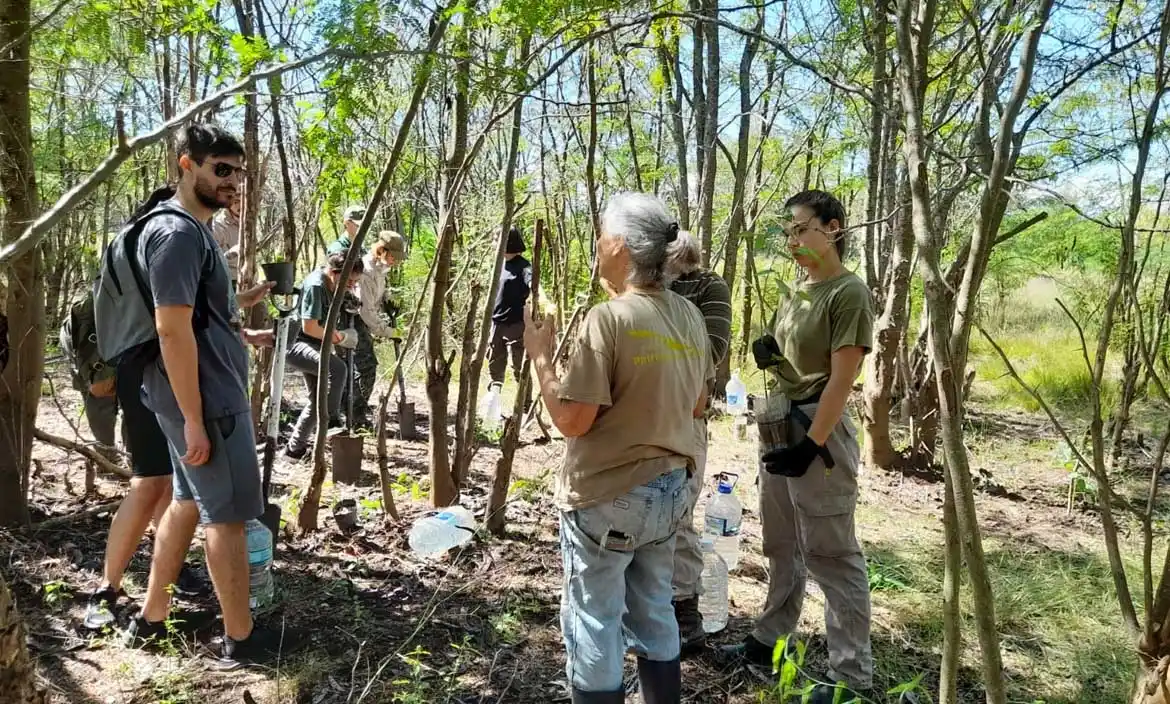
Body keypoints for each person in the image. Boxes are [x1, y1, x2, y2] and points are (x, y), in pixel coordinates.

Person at [524, 193, 712, 704]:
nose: (597, 243)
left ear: (622, 246)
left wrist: (541, 356)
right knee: (654, 606)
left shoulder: (608, 319)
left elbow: (571, 421)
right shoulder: (690, 316)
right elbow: (697, 404)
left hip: (610, 497)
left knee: (594, 616)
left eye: (603, 234)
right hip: (672, 493)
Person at [126, 124, 279, 670]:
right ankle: (243, 639)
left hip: (190, 393)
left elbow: (196, 314)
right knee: (229, 517)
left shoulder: (179, 230)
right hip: (206, 401)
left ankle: (151, 617)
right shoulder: (178, 234)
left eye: (238, 171)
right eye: (221, 169)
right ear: (185, 164)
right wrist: (194, 417)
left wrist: (241, 331)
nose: (232, 180)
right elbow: (171, 329)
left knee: (189, 502)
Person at [719, 190, 875, 704]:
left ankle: (852, 678)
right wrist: (774, 362)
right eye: (788, 231)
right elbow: (800, 373)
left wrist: (812, 444)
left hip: (818, 435)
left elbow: (839, 381)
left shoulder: (848, 293)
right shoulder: (796, 291)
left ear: (832, 228)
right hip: (779, 423)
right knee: (782, 543)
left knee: (831, 553)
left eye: (802, 229)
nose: (793, 240)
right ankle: (772, 635)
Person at [58, 282, 208, 630]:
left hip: (145, 372)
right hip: (152, 373)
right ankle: (108, 589)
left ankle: (149, 576)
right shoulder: (160, 242)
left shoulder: (130, 254)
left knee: (162, 482)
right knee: (153, 482)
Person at [662, 231, 732, 651]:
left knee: (679, 508)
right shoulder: (642, 285)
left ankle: (684, 609)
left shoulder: (707, 285)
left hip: (686, 412)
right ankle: (650, 603)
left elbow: (714, 349)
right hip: (641, 414)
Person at [284, 251, 363, 458]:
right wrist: (341, 338)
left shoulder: (334, 284)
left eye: (355, 283)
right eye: (349, 282)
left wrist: (350, 301)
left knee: (319, 399)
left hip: (316, 344)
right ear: (334, 272)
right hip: (297, 344)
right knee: (337, 370)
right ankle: (333, 421)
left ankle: (294, 448)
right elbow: (310, 327)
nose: (351, 287)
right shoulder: (316, 286)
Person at [349, 231, 405, 428]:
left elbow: (377, 295)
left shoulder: (380, 269)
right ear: (381, 250)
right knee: (366, 368)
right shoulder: (365, 272)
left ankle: (353, 411)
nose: (395, 262)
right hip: (354, 322)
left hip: (364, 322)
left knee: (360, 369)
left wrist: (387, 299)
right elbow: (365, 312)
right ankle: (355, 416)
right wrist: (389, 331)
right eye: (392, 257)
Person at [488, 226, 532, 391]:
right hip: (497, 323)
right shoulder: (499, 265)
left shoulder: (524, 266)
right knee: (495, 366)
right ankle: (494, 400)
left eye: (496, 240)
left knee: (519, 367)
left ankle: (524, 405)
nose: (493, 244)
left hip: (517, 324)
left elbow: (534, 285)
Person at [211, 192, 241, 288]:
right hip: (228, 281)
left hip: (248, 277)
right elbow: (211, 261)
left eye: (243, 201)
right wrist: (230, 254)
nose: (240, 205)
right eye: (236, 202)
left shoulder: (248, 222)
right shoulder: (218, 226)